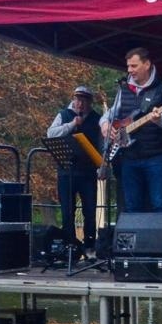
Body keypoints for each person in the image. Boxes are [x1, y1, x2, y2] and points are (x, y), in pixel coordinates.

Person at [100, 46, 162, 213]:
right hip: (129, 157)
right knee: (131, 206)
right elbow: (109, 115)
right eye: (128, 66)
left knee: (159, 203)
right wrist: (105, 125)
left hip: (157, 156)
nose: (130, 70)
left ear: (147, 64)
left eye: (134, 66)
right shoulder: (123, 89)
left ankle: (160, 239)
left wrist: (160, 119)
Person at [45, 86, 104, 252]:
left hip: (87, 172)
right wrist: (72, 124)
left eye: (84, 101)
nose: (80, 104)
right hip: (67, 171)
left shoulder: (96, 119)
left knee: (90, 210)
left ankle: (89, 246)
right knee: (67, 211)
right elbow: (51, 133)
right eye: (78, 100)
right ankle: (69, 245)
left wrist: (103, 166)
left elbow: (100, 145)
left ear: (89, 103)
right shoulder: (64, 115)